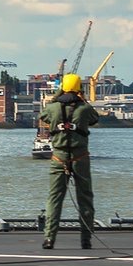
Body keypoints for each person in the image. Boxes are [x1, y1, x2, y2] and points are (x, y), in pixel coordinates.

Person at [39, 73, 100, 250]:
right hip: (80, 156)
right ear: (80, 89)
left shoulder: (53, 108)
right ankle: (86, 239)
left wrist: (59, 95)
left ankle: (49, 238)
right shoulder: (84, 108)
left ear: (63, 88)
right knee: (85, 198)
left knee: (54, 198)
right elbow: (95, 119)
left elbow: (44, 115)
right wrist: (82, 99)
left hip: (58, 156)